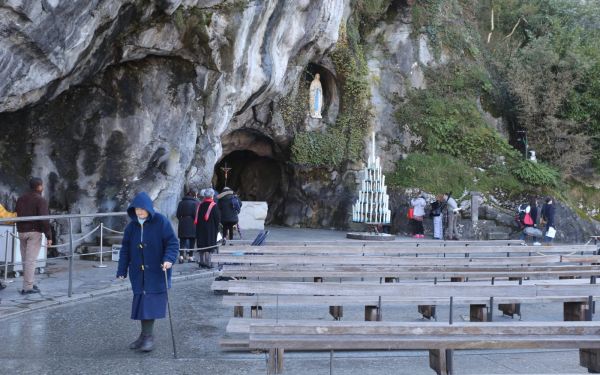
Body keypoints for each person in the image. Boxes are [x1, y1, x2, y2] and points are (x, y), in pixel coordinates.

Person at [116, 192, 179, 352]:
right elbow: (125, 250)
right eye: (137, 209)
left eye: (143, 209)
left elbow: (172, 243)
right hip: (138, 273)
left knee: (149, 304)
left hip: (158, 272)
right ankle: (144, 336)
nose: (140, 212)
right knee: (141, 304)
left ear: (149, 209)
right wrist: (121, 269)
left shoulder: (161, 221)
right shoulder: (131, 227)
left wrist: (169, 259)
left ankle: (148, 337)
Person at [15, 177, 52, 294]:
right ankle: (28, 287)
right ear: (39, 186)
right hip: (34, 231)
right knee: (30, 260)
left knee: (25, 259)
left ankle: (28, 283)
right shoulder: (40, 200)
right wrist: (49, 236)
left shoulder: (20, 198)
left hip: (21, 231)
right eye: (42, 185)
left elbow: (16, 213)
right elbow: (44, 220)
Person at [195, 188, 221, 268]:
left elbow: (197, 217)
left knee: (202, 244)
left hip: (200, 228)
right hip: (210, 229)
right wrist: (218, 228)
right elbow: (217, 219)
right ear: (212, 196)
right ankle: (208, 262)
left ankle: (201, 261)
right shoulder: (214, 206)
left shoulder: (200, 205)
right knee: (209, 245)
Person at [176, 189, 198, 263]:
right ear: (193, 195)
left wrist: (182, 219)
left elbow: (178, 214)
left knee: (182, 240)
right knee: (192, 240)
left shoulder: (181, 203)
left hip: (182, 222)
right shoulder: (194, 203)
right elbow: (195, 215)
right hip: (192, 223)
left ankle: (181, 256)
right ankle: (190, 257)